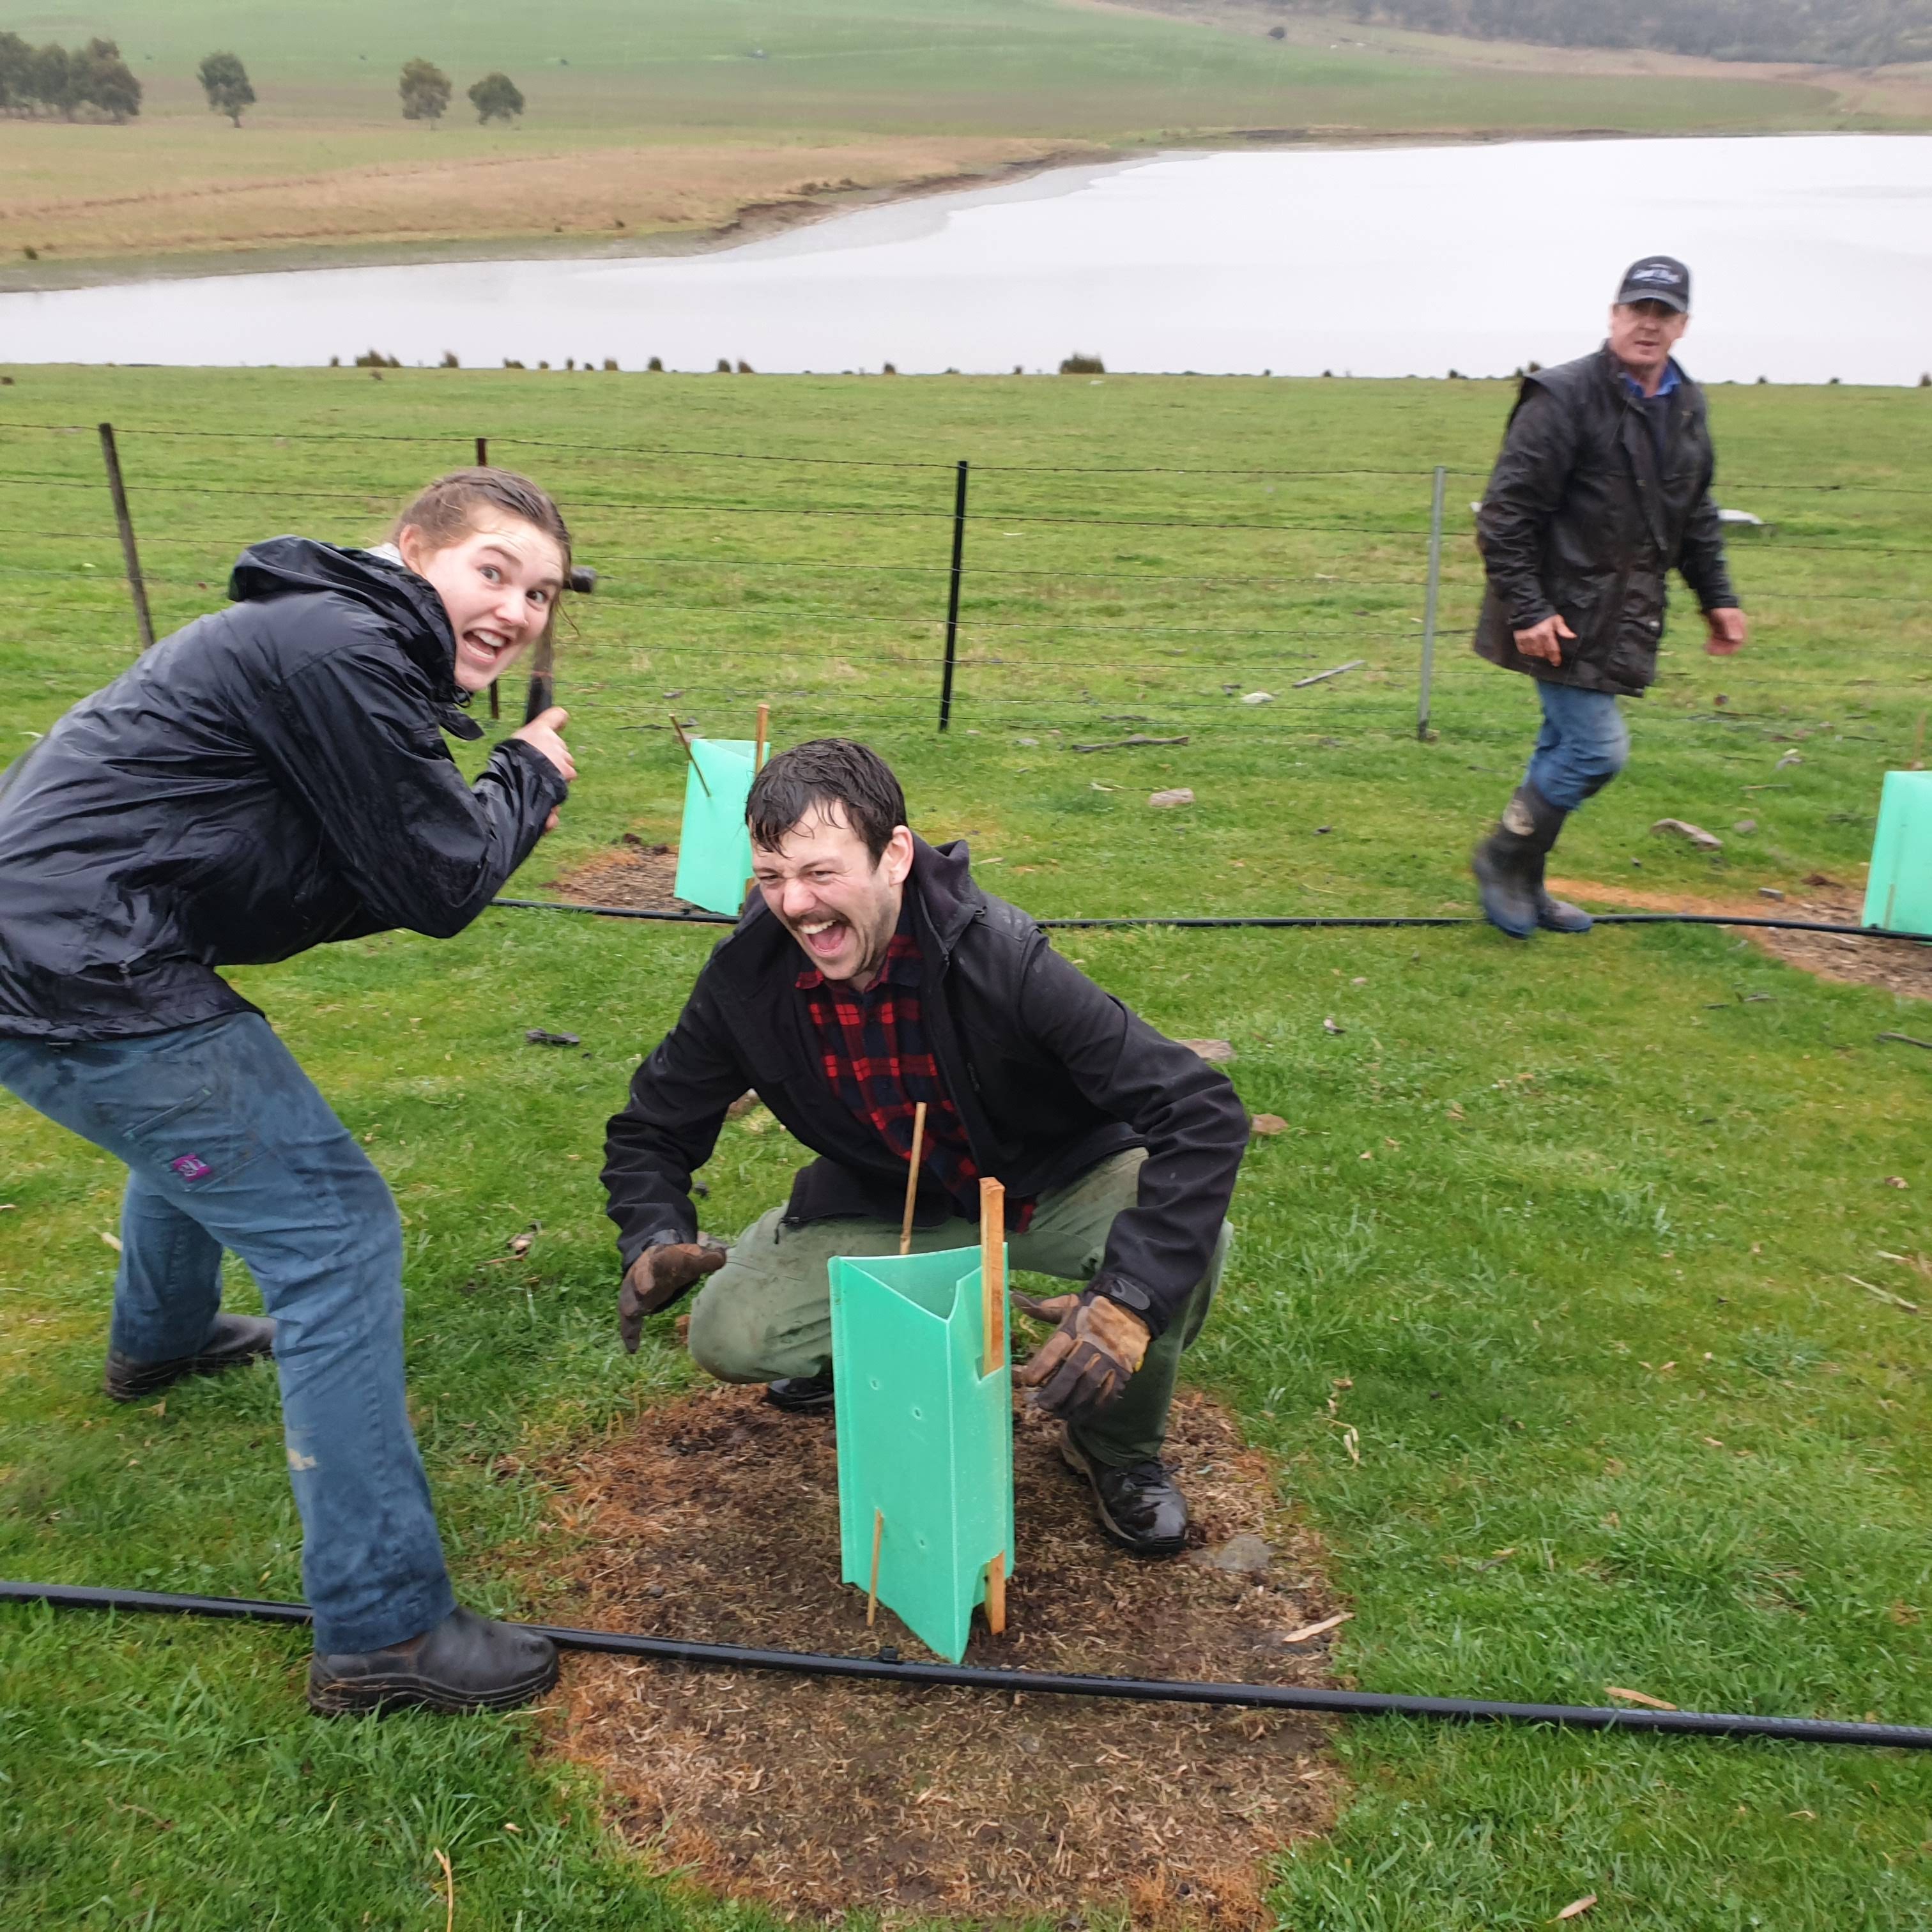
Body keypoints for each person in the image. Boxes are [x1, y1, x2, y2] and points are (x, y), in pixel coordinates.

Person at [0, 468, 578, 1714]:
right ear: (413, 550)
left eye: (538, 592)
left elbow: (365, 865)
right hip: (79, 965)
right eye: (493, 572)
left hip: (77, 945)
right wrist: (528, 773)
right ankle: (385, 1631)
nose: (520, 610)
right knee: (335, 1235)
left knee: (213, 1132)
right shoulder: (337, 646)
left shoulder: (327, 638)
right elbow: (438, 883)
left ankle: (159, 1344)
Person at [601, 740, 1248, 1558]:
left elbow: (1199, 1109)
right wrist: (654, 1232)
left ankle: (1113, 1449)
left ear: (896, 855)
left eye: (821, 874)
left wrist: (1129, 1298)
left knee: (1186, 1245)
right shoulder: (746, 979)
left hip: (1052, 1180)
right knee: (730, 1334)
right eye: (771, 879)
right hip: (891, 1193)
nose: (795, 906)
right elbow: (653, 1124)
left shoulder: (1002, 956)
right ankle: (859, 1354)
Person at [1470, 254, 1747, 937]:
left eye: (1663, 314)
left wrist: (1717, 595)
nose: (1648, 326)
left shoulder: (1684, 403)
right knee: (1596, 751)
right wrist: (1530, 609)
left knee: (1561, 745)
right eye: (1637, 310)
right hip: (1555, 611)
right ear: (1614, 315)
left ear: (1683, 325)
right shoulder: (1562, 397)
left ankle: (1526, 880)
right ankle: (1502, 856)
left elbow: (1694, 510)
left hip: (1620, 613)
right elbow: (1506, 514)